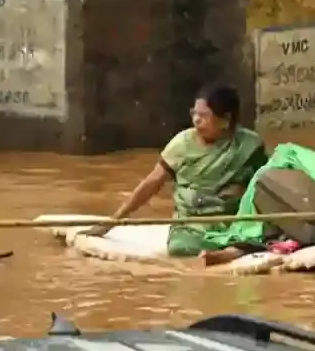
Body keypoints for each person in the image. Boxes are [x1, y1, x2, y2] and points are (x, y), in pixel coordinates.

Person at [78, 84, 269, 259]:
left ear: (226, 119)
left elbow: (266, 183)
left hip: (234, 221)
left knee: (268, 233)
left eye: (204, 116)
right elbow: (151, 184)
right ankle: (232, 250)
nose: (196, 120)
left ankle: (235, 249)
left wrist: (241, 193)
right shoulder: (182, 144)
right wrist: (112, 222)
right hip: (192, 225)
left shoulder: (250, 145)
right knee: (181, 248)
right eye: (194, 113)